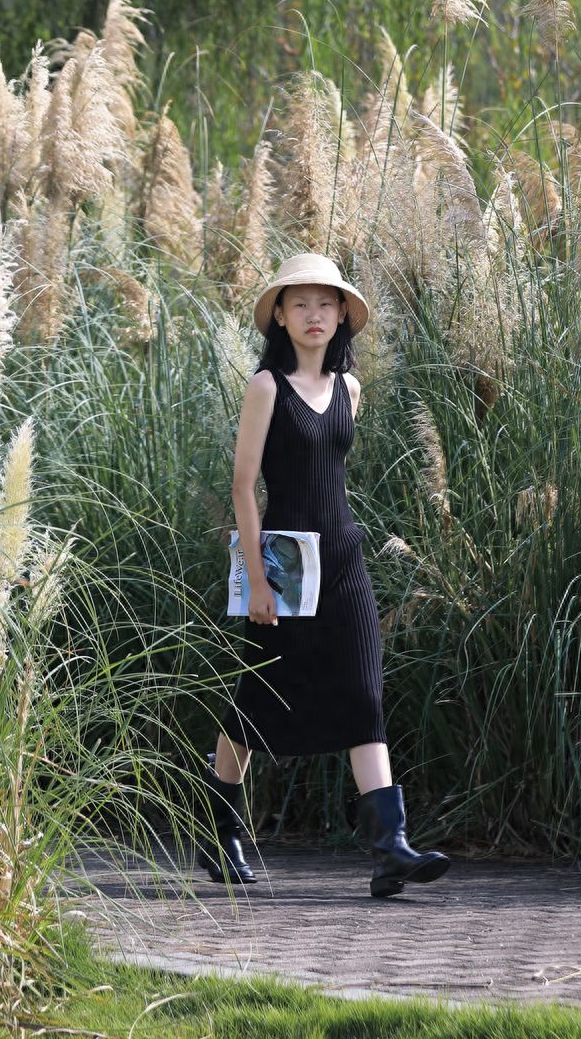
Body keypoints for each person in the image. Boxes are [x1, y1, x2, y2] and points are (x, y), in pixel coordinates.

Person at [199, 249, 451, 900]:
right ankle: (217, 828)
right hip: (283, 568)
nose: (315, 314)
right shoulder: (265, 389)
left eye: (326, 303)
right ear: (279, 317)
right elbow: (243, 486)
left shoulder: (350, 390)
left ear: (342, 316)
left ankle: (389, 846)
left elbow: (331, 479)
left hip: (343, 561)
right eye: (300, 303)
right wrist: (257, 580)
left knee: (365, 696)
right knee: (256, 706)